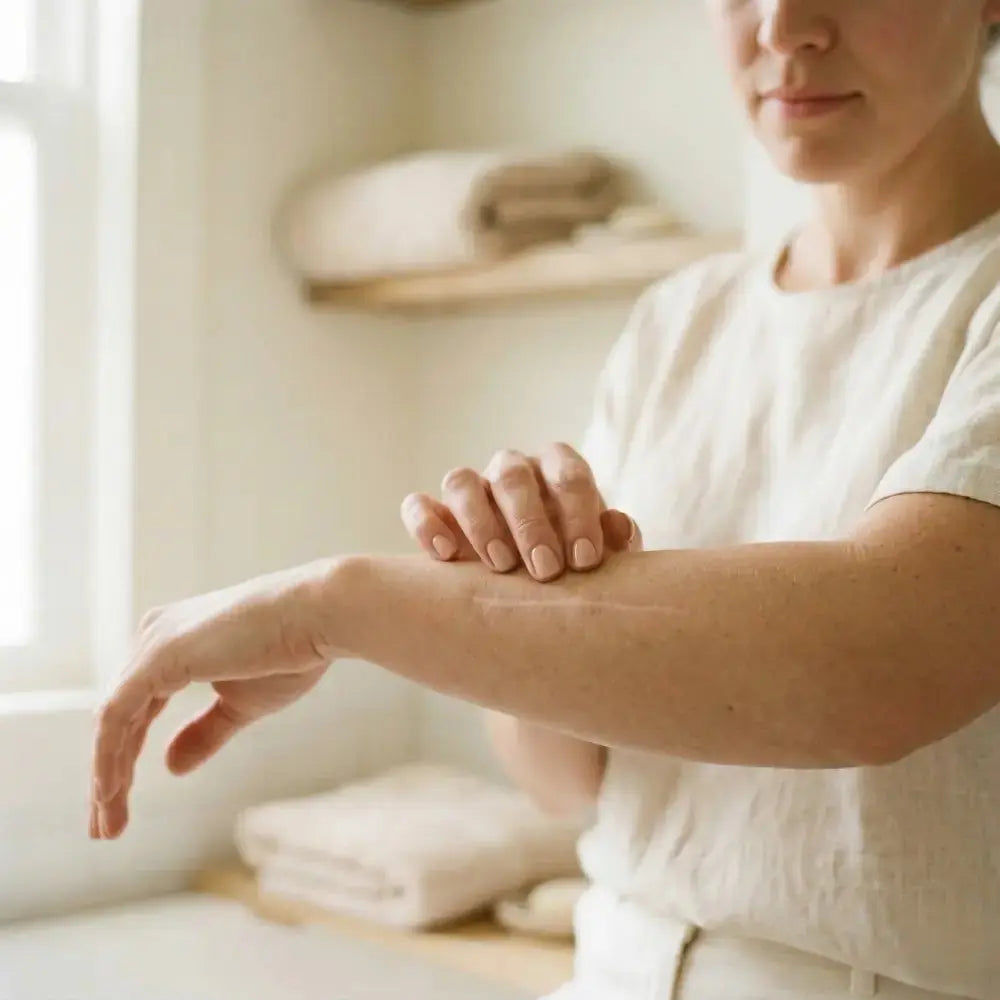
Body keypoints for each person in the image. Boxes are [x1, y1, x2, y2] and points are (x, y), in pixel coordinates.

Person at [89, 2, 1000, 997]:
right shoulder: (684, 319)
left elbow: (870, 668)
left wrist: (337, 607)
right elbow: (565, 778)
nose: (783, 25)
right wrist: (512, 569)